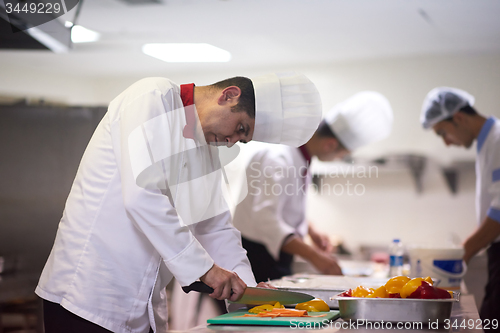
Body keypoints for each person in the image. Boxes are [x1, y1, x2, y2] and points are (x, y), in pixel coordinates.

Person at [35, 72, 322, 333]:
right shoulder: (152, 98)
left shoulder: (208, 152)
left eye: (241, 139)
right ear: (229, 95)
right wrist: (207, 270)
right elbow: (141, 196)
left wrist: (248, 293)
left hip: (141, 308)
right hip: (85, 297)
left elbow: (215, 228)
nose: (232, 140)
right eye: (240, 127)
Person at [232, 91, 393, 282]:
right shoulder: (278, 158)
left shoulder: (300, 157)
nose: (339, 158)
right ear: (330, 145)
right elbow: (265, 219)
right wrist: (314, 257)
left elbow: (282, 205)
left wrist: (310, 230)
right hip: (254, 257)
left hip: (273, 256)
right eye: (343, 154)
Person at [420, 87, 500, 321]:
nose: (446, 143)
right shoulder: (487, 143)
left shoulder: (497, 139)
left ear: (459, 118)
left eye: (442, 133)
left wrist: (461, 254)